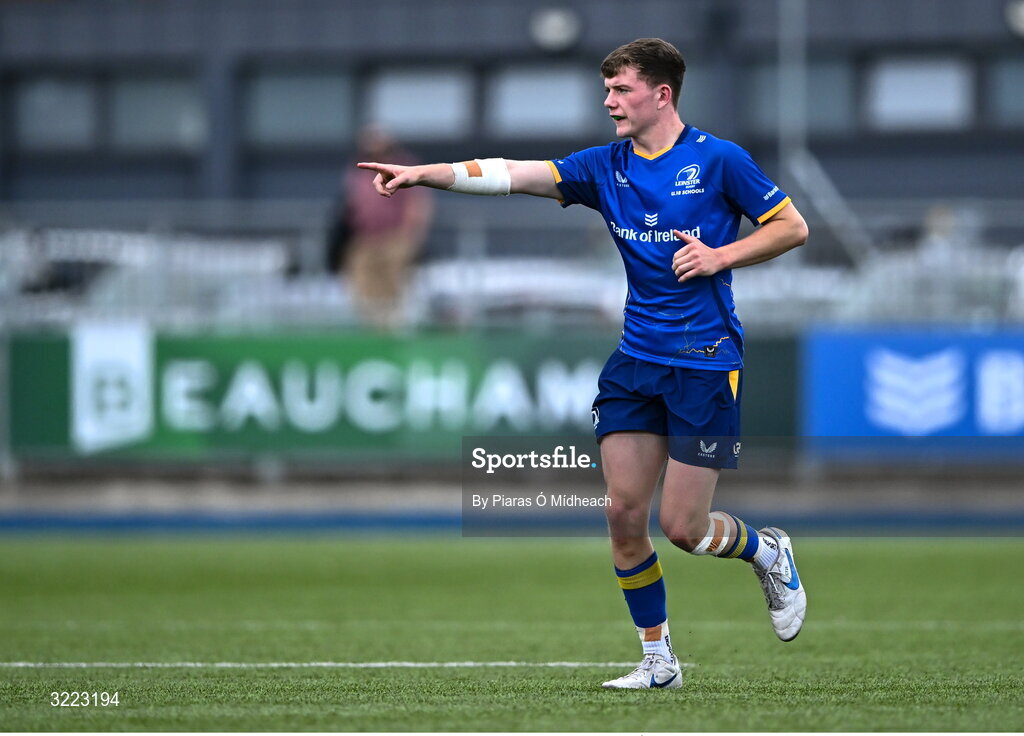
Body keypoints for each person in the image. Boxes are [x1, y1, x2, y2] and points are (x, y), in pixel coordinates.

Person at [359, 38, 808, 690]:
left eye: (621, 90)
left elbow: (791, 226)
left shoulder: (719, 161)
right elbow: (514, 174)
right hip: (634, 363)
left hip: (705, 364)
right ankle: (659, 663)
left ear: (662, 94)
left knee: (683, 528)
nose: (609, 101)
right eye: (607, 90)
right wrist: (431, 174)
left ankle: (768, 551)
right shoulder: (605, 167)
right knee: (624, 516)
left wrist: (719, 257)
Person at [331, 125, 433, 330]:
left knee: (395, 285)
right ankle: (372, 327)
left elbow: (417, 204)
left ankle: (394, 328)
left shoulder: (404, 167)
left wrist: (411, 236)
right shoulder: (356, 171)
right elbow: (350, 205)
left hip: (395, 238)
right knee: (361, 283)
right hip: (364, 239)